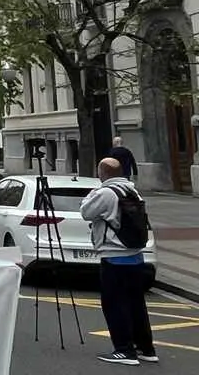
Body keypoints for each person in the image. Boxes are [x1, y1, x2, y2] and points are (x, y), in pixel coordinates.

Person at [81, 157, 156, 366]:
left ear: (102, 173)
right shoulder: (133, 191)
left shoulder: (105, 193)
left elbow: (86, 212)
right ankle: (146, 349)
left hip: (114, 256)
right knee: (136, 305)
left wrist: (91, 194)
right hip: (135, 256)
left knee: (115, 305)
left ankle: (124, 350)